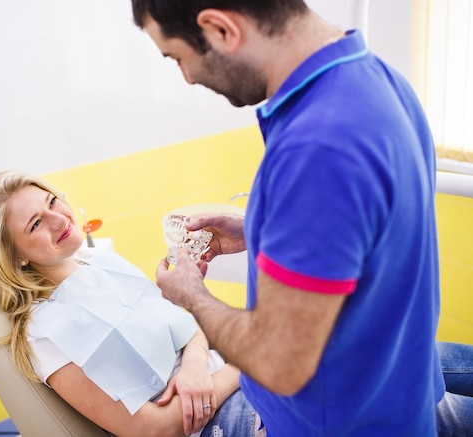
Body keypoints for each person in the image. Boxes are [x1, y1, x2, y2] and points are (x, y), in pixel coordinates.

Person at [131, 0, 448, 435]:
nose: (187, 77)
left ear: (220, 29)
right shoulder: (377, 79)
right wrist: (257, 229)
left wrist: (191, 295)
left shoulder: (316, 146)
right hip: (395, 400)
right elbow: (373, 231)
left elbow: (278, 363)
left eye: (179, 57)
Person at [0, 170, 260, 437]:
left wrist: (195, 368)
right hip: (206, 420)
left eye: (51, 202)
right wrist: (247, 365)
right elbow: (154, 430)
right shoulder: (43, 334)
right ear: (13, 256)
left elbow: (188, 328)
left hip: (222, 380)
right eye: (36, 224)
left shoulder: (98, 260)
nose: (60, 219)